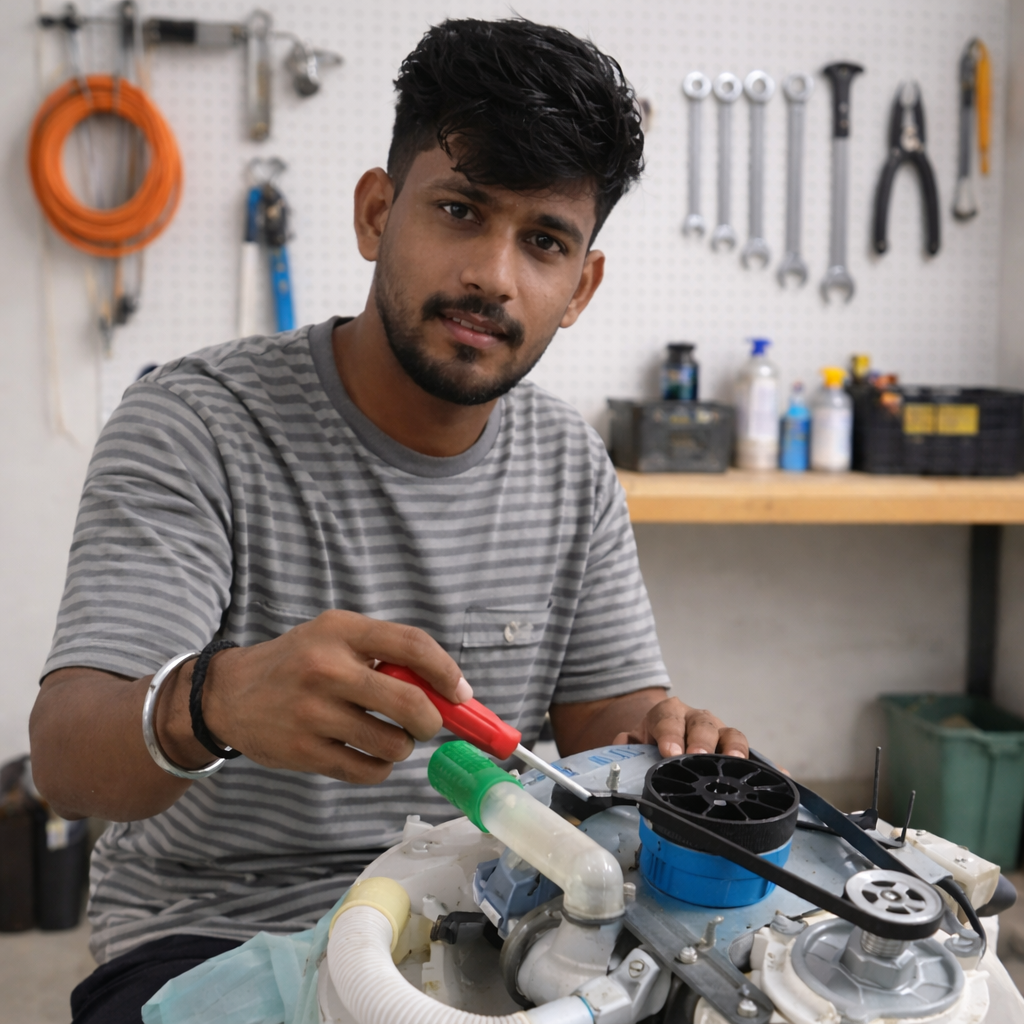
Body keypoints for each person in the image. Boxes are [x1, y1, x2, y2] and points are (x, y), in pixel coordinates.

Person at [29, 17, 748, 1023]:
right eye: (459, 210)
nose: (494, 275)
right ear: (377, 213)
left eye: (543, 241)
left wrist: (670, 744)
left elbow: (605, 730)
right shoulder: (195, 424)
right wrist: (213, 704)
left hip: (488, 914)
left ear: (579, 285)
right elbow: (67, 765)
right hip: (215, 931)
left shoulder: (568, 458)